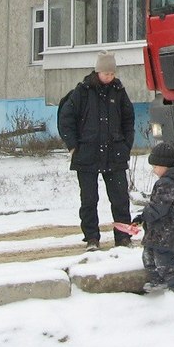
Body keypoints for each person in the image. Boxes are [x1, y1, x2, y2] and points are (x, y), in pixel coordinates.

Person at [57, 51, 135, 250]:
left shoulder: (119, 91)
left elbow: (128, 120)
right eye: (106, 73)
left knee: (120, 199)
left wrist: (126, 146)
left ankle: (123, 237)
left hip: (115, 153)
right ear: (98, 71)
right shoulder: (83, 91)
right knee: (89, 199)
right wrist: (73, 145)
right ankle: (92, 238)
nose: (109, 77)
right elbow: (66, 118)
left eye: (112, 73)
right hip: (87, 154)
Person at [133, 141, 174, 293]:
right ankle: (158, 282)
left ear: (165, 165)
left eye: (155, 167)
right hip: (160, 232)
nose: (153, 170)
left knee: (166, 263)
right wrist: (143, 217)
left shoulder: (168, 184)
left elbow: (158, 208)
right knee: (149, 257)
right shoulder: (168, 182)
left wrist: (143, 216)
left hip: (169, 232)